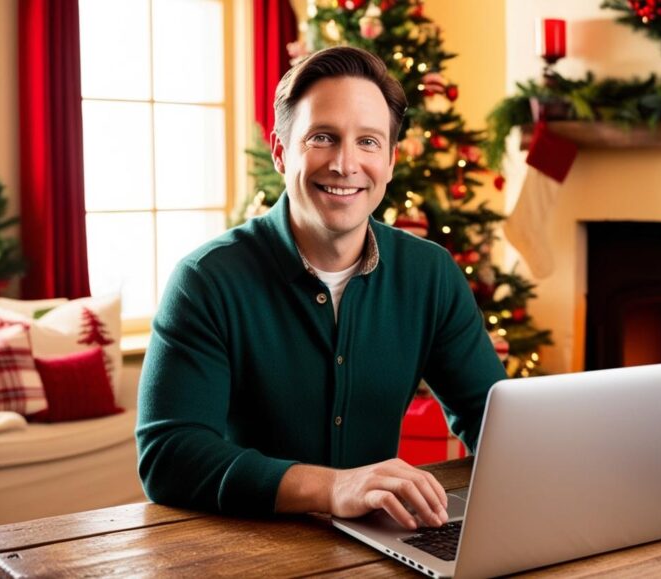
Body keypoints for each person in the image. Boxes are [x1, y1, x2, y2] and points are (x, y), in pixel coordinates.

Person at [136, 46, 507, 531]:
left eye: (369, 142)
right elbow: (169, 456)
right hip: (244, 547)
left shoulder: (430, 274)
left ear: (392, 161)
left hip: (380, 544)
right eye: (323, 137)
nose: (345, 164)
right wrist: (333, 488)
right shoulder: (205, 281)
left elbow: (495, 421)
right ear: (280, 152)